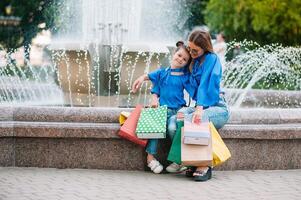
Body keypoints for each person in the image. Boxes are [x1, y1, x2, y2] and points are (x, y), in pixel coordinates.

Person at [131, 41, 194, 174]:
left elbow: (194, 91)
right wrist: (140, 80)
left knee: (174, 128)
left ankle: (178, 160)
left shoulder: (185, 76)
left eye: (185, 59)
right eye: (179, 55)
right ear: (174, 53)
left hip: (178, 110)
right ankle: (150, 158)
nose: (181, 59)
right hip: (163, 110)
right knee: (155, 126)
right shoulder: (162, 73)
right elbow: (147, 77)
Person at [178, 29, 230, 181]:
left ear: (204, 48)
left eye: (195, 50)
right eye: (190, 48)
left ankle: (205, 164)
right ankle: (192, 161)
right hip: (200, 106)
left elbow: (206, 84)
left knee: (198, 119)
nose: (191, 52)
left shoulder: (211, 58)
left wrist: (199, 108)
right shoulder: (193, 63)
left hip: (218, 107)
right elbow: (189, 85)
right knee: (178, 119)